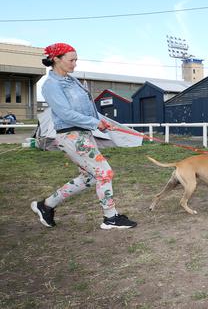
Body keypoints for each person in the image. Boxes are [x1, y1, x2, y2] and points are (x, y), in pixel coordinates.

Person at [30, 43, 137, 229]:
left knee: (89, 178)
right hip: (70, 136)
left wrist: (100, 123)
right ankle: (110, 218)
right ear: (56, 59)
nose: (75, 64)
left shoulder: (73, 81)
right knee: (104, 172)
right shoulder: (51, 85)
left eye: (76, 60)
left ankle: (45, 206)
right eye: (71, 60)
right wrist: (95, 123)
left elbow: (89, 108)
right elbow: (65, 114)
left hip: (84, 134)